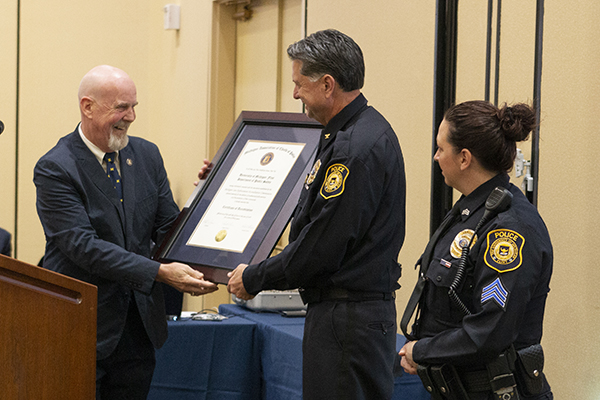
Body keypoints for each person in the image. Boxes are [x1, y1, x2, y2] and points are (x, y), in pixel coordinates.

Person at [227, 29, 406, 399]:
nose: (295, 95)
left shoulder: (354, 148)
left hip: (348, 320)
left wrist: (256, 277)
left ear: (327, 84)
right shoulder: (352, 135)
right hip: (348, 316)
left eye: (299, 84)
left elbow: (321, 247)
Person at [34, 65, 218, 400]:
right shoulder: (55, 168)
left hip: (138, 329)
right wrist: (159, 272)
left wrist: (207, 195)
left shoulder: (146, 155)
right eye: (121, 107)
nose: (131, 116)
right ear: (87, 106)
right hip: (81, 326)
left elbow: (167, 228)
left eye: (134, 107)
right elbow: (84, 247)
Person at [398, 100, 553, 400]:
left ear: (464, 158)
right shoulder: (472, 211)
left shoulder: (509, 230)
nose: (436, 157)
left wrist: (424, 350)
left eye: (441, 149)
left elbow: (490, 331)